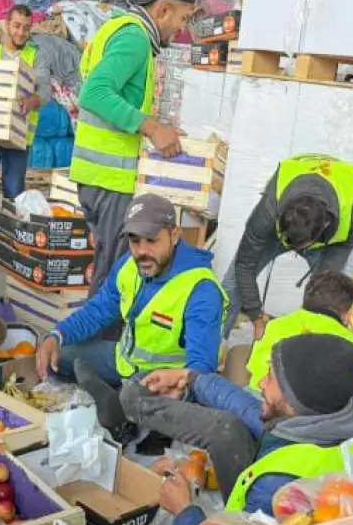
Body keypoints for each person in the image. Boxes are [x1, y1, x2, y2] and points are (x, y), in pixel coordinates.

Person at [130, 273, 353, 498]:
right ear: (346, 313)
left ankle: (136, 403)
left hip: (275, 432)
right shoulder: (350, 349)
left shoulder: (279, 328)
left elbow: (252, 390)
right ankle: (141, 402)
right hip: (284, 427)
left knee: (221, 425)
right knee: (220, 423)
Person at [35, 193, 224, 452]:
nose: (142, 251)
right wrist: (56, 335)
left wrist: (178, 383)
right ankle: (122, 410)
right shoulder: (129, 266)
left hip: (163, 382)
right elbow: (98, 311)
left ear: (175, 235)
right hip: (123, 362)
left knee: (136, 400)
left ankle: (129, 416)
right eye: (134, 241)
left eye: (152, 240)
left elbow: (202, 366)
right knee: (60, 357)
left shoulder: (200, 289)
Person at [156, 334, 353, 525]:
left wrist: (183, 510)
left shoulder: (278, 486)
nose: (260, 383)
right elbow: (245, 407)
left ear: (294, 401)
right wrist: (190, 378)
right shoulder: (325, 427)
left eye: (271, 378)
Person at [70, 0, 198, 295]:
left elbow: (117, 100)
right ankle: (95, 343)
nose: (182, 29)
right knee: (115, 278)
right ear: (164, 9)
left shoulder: (120, 29)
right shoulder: (135, 39)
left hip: (97, 177)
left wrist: (156, 126)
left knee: (108, 269)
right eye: (182, 18)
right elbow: (95, 93)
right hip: (110, 180)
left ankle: (91, 339)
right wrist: (152, 127)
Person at [220, 153, 353, 338]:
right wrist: (256, 317)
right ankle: (213, 345)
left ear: (325, 226)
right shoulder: (269, 209)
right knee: (231, 285)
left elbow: (342, 252)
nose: (294, 250)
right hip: (278, 228)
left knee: (325, 298)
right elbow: (244, 266)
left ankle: (306, 351)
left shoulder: (351, 208)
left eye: (300, 245)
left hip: (328, 242)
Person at [0, 4, 53, 265]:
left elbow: (46, 87)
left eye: (26, 27)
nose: (21, 32)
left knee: (14, 192)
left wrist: (34, 100)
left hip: (19, 138)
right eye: (16, 26)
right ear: (7, 24)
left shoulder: (36, 56)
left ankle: (11, 243)